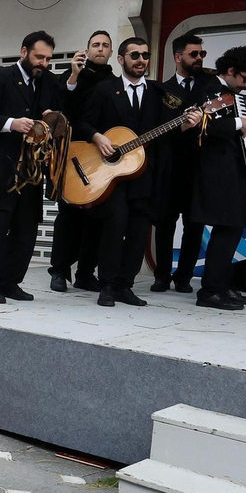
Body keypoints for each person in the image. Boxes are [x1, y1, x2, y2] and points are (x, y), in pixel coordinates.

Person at [0, 30, 80, 303]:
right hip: (2, 166)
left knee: (26, 229)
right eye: (39, 57)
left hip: (32, 169)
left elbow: (62, 106)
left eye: (48, 59)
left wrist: (52, 116)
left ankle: (11, 282)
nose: (43, 63)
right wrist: (12, 124)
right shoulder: (1, 76)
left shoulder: (47, 81)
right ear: (24, 52)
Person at [75, 37, 170, 307]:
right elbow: (82, 122)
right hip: (112, 175)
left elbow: (169, 130)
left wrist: (187, 123)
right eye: (134, 55)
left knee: (139, 232)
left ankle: (125, 285)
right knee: (114, 228)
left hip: (145, 174)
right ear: (121, 59)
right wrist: (97, 137)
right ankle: (106, 285)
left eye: (145, 55)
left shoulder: (158, 93)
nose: (141, 60)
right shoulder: (105, 90)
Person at [190, 46, 246, 311]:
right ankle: (210, 290)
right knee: (227, 228)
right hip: (218, 172)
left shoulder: (231, 94)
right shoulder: (209, 88)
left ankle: (222, 285)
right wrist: (239, 123)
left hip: (234, 170)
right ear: (231, 70)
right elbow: (204, 125)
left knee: (233, 228)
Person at [48, 30, 113, 293]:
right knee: (68, 215)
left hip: (100, 156)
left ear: (111, 52)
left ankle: (86, 273)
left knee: (96, 218)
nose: (100, 49)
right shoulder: (70, 76)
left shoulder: (113, 82)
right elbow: (61, 109)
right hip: (71, 153)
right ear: (87, 50)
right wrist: (74, 75)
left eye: (105, 45)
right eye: (95, 45)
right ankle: (59, 271)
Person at [152, 32, 212, 294]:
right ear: (178, 57)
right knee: (164, 226)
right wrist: (181, 128)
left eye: (202, 53)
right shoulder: (162, 90)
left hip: (199, 169)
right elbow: (156, 130)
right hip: (169, 169)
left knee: (194, 226)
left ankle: (184, 277)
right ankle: (161, 276)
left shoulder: (209, 86)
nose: (199, 58)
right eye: (194, 54)